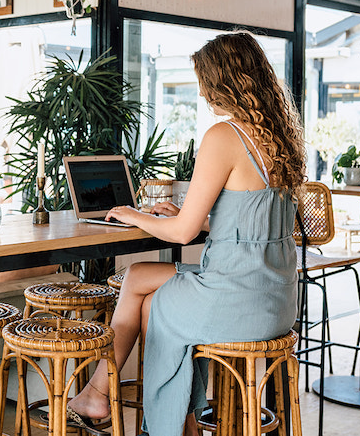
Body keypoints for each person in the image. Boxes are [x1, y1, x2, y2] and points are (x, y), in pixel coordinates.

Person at [67, 31, 306, 436]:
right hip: (277, 300)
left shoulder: (224, 137)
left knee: (144, 288)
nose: (201, 93)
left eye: (204, 82)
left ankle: (132, 406)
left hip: (236, 298)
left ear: (224, 80)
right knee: (147, 290)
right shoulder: (280, 137)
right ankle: (178, 421)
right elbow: (253, 227)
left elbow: (181, 234)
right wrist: (191, 215)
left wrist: (134, 215)